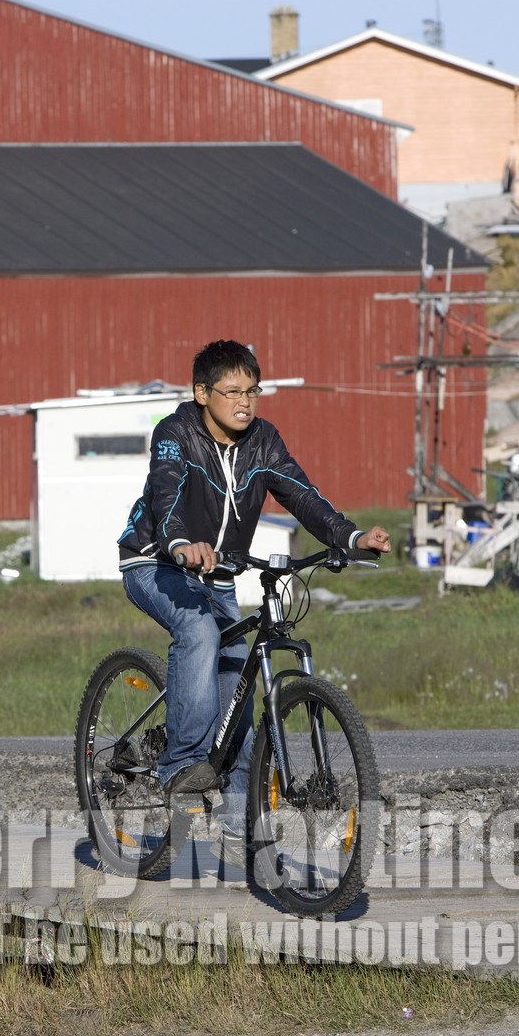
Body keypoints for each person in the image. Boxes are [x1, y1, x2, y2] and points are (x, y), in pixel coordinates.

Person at [116, 340, 391, 863]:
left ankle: (240, 827)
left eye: (253, 391)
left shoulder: (264, 441)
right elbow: (166, 491)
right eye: (232, 391)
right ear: (202, 393)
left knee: (241, 681)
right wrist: (179, 543)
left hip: (219, 573)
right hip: (156, 561)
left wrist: (350, 539)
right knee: (197, 632)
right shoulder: (176, 434)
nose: (245, 401)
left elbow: (302, 495)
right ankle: (182, 766)